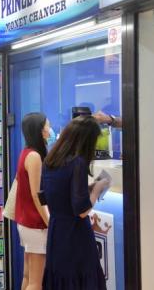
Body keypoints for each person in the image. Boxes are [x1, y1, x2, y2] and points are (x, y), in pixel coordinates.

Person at [42, 115, 108, 289]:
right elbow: (82, 210)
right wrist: (98, 188)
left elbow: (54, 196)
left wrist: (87, 189)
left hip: (57, 233)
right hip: (76, 236)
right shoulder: (77, 163)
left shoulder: (50, 161)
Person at [14, 113, 50, 290]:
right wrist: (48, 221)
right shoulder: (35, 156)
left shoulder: (26, 153)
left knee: (28, 276)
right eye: (47, 126)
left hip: (26, 221)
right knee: (36, 281)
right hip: (35, 223)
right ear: (39, 130)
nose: (49, 130)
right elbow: (37, 194)